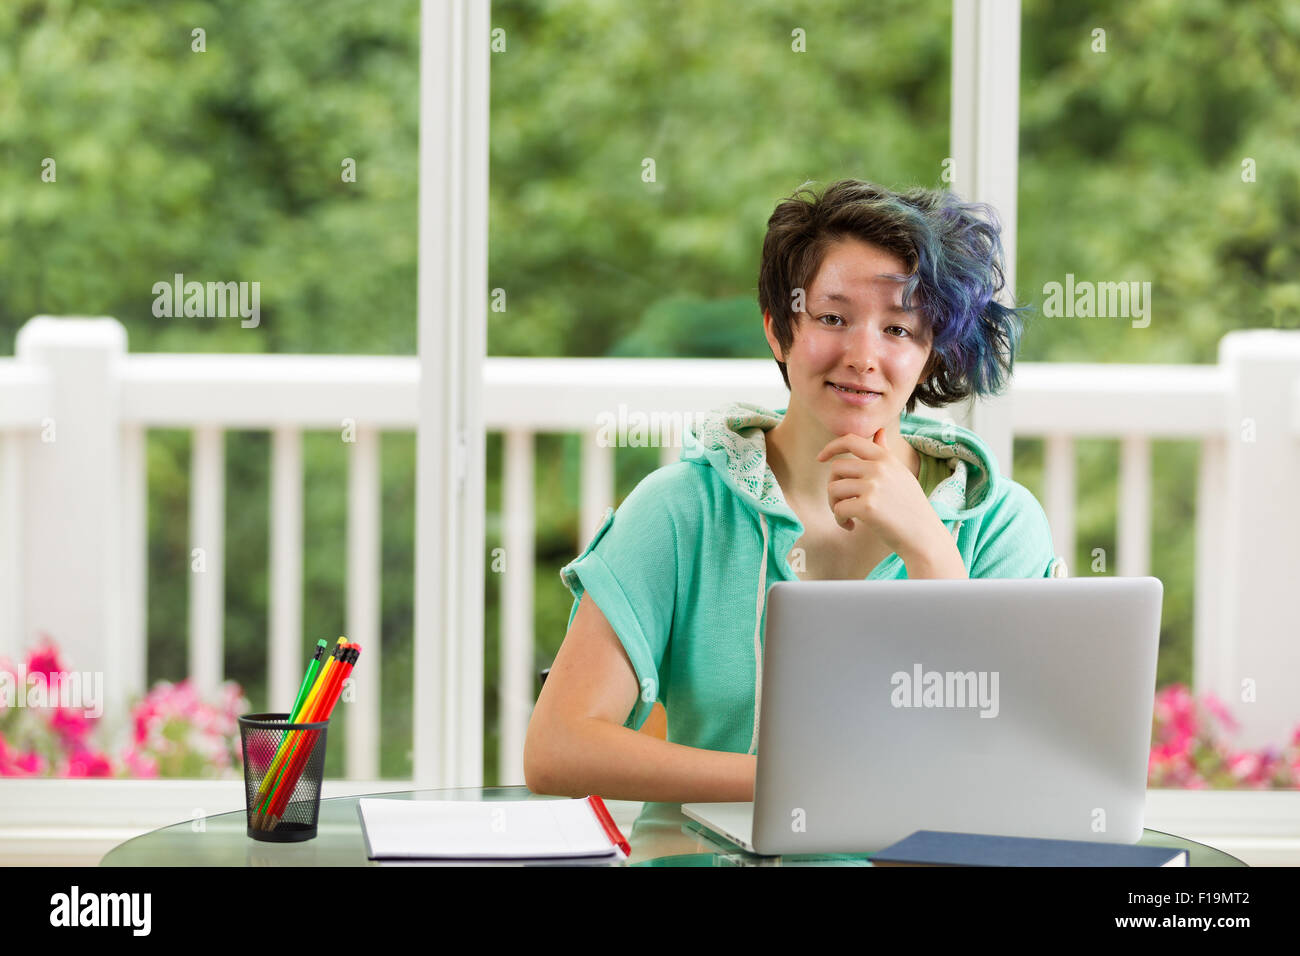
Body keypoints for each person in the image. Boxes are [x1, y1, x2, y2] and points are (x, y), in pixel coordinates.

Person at [523, 179, 1068, 806]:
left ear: (929, 353)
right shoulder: (680, 509)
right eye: (833, 318)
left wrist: (932, 556)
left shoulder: (1000, 523)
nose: (864, 356)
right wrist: (789, 785)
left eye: (899, 328)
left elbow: (1013, 771)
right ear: (779, 330)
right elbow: (558, 747)